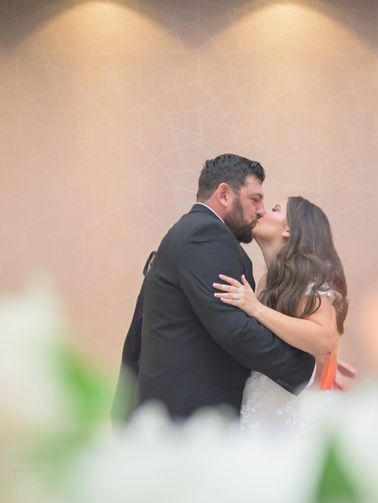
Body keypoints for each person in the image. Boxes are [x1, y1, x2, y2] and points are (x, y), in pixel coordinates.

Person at [113, 154, 316, 421]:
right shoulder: (207, 235)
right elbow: (233, 328)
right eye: (255, 199)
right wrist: (303, 368)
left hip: (174, 408)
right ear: (224, 194)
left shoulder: (190, 230)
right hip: (188, 413)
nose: (260, 211)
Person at [212, 196, 349, 434]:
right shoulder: (267, 280)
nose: (263, 211)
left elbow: (324, 338)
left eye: (275, 209)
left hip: (288, 418)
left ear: (289, 229)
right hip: (259, 407)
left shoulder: (307, 276)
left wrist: (256, 308)